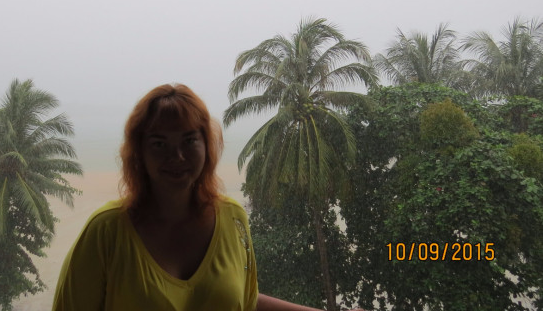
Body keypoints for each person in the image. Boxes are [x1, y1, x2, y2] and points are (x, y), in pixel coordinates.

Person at [52, 84, 363, 311]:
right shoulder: (106, 231)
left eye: (189, 140)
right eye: (159, 144)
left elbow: (241, 301)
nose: (176, 156)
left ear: (207, 146)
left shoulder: (233, 219)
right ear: (139, 153)